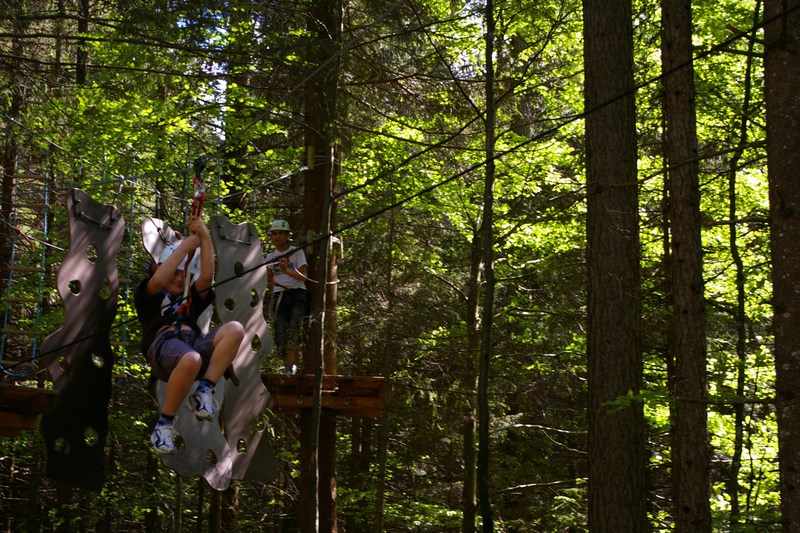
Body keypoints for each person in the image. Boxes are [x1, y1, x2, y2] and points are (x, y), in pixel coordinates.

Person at [134, 215, 244, 455]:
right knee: (191, 359)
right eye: (174, 272)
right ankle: (164, 426)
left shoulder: (190, 296)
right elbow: (159, 280)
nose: (178, 277)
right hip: (164, 347)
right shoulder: (148, 294)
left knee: (235, 329)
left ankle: (205, 389)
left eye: (183, 274)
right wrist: (185, 247)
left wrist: (204, 236)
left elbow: (205, 277)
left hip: (192, 344)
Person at [266, 219, 309, 375]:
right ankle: (286, 366)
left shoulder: (297, 252)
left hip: (297, 293)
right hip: (280, 295)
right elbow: (269, 280)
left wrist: (287, 271)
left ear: (286, 235)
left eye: (280, 233)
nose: (277, 237)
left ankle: (291, 366)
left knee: (293, 327)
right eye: (274, 234)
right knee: (280, 330)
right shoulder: (271, 257)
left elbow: (304, 276)